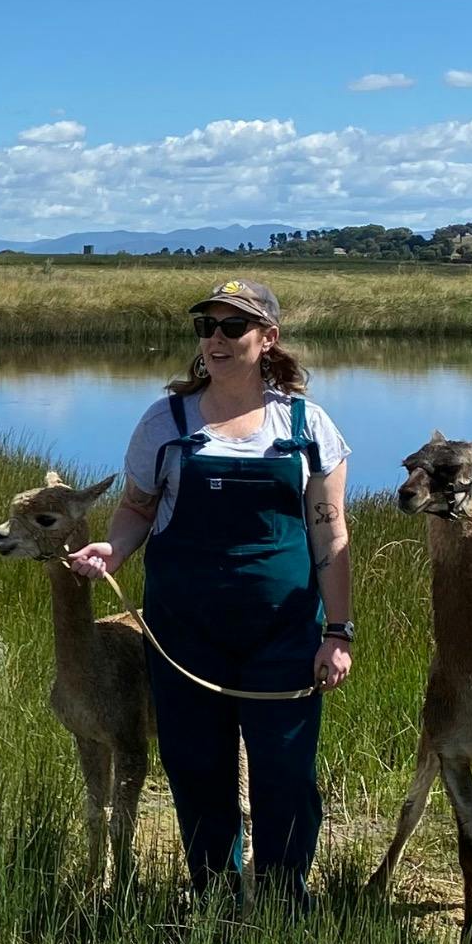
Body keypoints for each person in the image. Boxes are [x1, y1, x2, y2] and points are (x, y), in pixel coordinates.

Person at [71, 278, 353, 901]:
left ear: (268, 339)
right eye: (207, 327)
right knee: (197, 771)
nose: (217, 339)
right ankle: (215, 902)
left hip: (283, 639)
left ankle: (283, 905)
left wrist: (338, 632)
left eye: (234, 327)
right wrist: (113, 549)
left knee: (285, 775)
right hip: (183, 637)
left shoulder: (307, 426)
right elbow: (137, 509)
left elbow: (331, 537)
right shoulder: (165, 422)